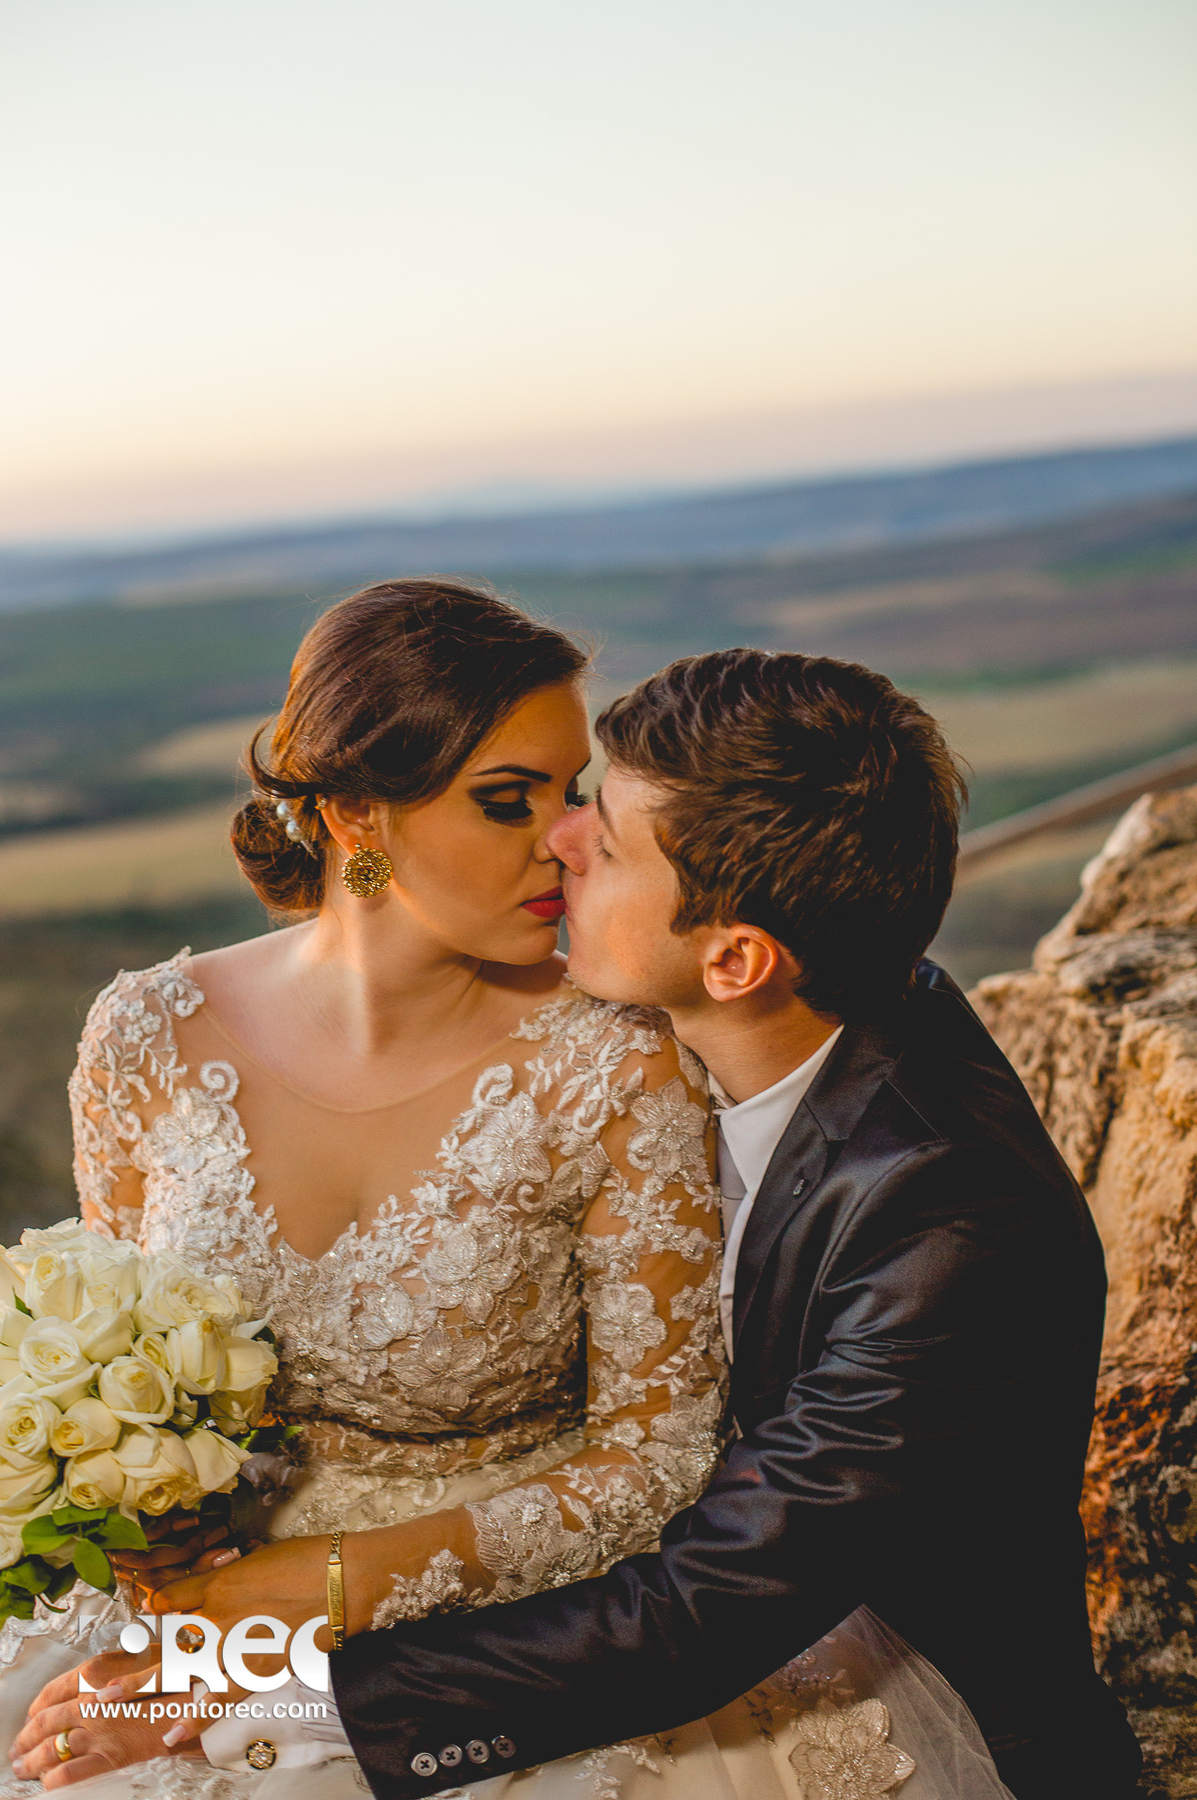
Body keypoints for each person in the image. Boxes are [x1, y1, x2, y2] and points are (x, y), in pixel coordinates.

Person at [311, 649, 1139, 1800]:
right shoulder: (761, 1020)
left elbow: (708, 1606)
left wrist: (286, 1688)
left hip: (887, 1697)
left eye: (606, 841)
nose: (559, 838)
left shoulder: (950, 1218)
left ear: (737, 958)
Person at [0, 580, 730, 1796]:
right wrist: (147, 1521)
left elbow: (659, 1463)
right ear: (352, 811)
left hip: (493, 1634)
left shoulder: (616, 1062)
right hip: (191, 1607)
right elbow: (104, 1351)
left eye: (571, 797)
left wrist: (311, 1603)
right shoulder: (147, 1034)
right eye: (509, 801)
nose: (563, 839)